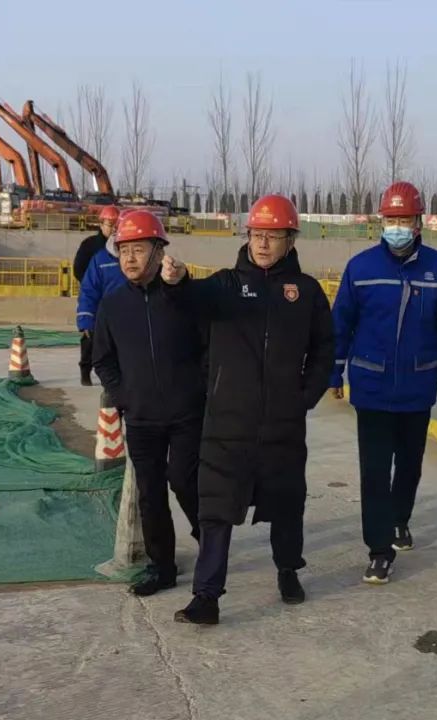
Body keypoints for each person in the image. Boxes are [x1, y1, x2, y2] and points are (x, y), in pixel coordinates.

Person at [161, 194, 334, 625]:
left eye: (273, 236)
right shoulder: (226, 286)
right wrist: (177, 281)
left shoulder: (306, 292)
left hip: (283, 425)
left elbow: (324, 350)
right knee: (216, 510)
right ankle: (206, 596)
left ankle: (288, 571)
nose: (263, 243)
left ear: (291, 239)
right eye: (257, 234)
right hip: (227, 423)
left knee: (287, 504)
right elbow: (190, 299)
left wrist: (304, 397)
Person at [329, 181, 437, 584]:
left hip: (417, 385)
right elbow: (341, 324)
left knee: (409, 464)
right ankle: (379, 550)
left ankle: (399, 518)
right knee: (375, 471)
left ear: (419, 222)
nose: (397, 227)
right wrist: (333, 372)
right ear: (381, 221)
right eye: (391, 219)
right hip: (371, 386)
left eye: (404, 219)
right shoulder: (361, 269)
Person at [91, 210, 206, 596]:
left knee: (185, 480)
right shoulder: (112, 305)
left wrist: (200, 388)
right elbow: (103, 359)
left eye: (138, 250)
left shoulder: (180, 298)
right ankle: (162, 567)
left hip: (187, 413)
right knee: (150, 493)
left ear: (159, 252)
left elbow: (209, 343)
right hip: (141, 419)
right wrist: (125, 396)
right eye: (124, 251)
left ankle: (209, 537)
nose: (129, 258)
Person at [74, 205, 120, 385]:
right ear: (101, 224)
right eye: (110, 224)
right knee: (90, 338)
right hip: (95, 299)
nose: (114, 229)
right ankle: (85, 370)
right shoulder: (91, 247)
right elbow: (78, 269)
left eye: (117, 225)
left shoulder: (124, 247)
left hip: (116, 304)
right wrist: (92, 283)